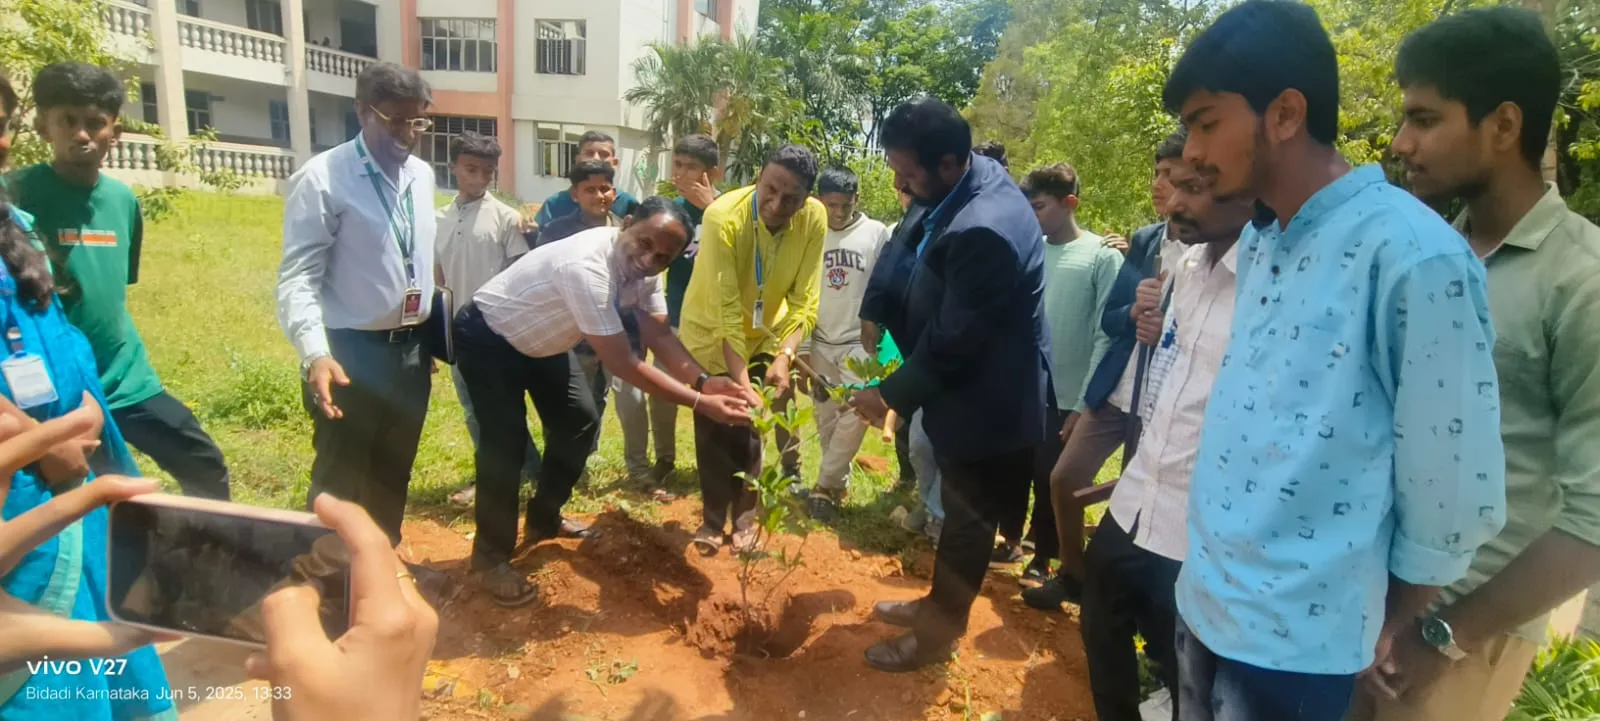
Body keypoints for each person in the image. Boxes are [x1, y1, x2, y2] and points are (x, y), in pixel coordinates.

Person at [1163, 3, 1506, 718]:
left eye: (1206, 122)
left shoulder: (1414, 256)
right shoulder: (1263, 239)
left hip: (1300, 649)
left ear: (1286, 114)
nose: (1191, 152)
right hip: (1204, 602)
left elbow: (1451, 494)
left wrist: (1390, 618)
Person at [1351, 9, 1600, 720]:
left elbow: (1594, 519)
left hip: (1454, 641)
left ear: (1504, 124)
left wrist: (1444, 635)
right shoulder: (1425, 259)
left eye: (1425, 119)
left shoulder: (1580, 281)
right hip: (1368, 612)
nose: (1401, 143)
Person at [455, 197, 752, 606]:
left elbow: (658, 334)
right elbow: (624, 363)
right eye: (644, 243)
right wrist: (700, 402)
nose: (648, 260)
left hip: (546, 342)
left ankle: (544, 517)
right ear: (626, 223)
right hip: (490, 336)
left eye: (663, 257)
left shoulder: (647, 274)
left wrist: (704, 381)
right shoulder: (586, 266)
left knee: (580, 421)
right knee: (503, 446)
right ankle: (490, 561)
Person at [853, 97, 1050, 673]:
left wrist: (887, 395)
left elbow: (954, 340)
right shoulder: (958, 180)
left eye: (907, 174)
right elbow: (905, 242)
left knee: (966, 523)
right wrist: (875, 306)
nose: (899, 185)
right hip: (956, 387)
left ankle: (936, 638)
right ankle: (935, 604)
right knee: (959, 514)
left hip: (987, 403)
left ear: (947, 163)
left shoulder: (987, 227)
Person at [1077, 154, 1256, 721]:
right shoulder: (1188, 267)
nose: (1174, 202)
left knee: (1181, 665)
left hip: (1198, 519)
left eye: (1194, 188)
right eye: (1174, 186)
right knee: (1099, 613)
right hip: (1143, 490)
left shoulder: (1270, 283)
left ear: (1247, 192)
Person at [11, 62, 231, 502]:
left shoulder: (122, 199)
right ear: (42, 127)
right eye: (67, 121)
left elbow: (112, 291)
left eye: (95, 122)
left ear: (115, 132)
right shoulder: (14, 195)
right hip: (57, 384)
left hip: (125, 378)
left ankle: (202, 548)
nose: (82, 134)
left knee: (203, 463)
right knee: (84, 493)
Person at [0, 183, 176, 719]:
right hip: (22, 482)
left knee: (105, 623)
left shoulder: (16, 220)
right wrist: (34, 439)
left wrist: (85, 408)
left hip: (72, 460)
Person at [276, 62, 449, 599]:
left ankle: (379, 579)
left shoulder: (421, 176)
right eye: (394, 120)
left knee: (393, 469)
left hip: (410, 352)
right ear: (361, 111)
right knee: (342, 478)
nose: (407, 134)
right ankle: (325, 590)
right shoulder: (323, 179)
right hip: (349, 353)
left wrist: (424, 333)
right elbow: (298, 277)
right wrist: (315, 354)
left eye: (417, 122)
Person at [1025, 130, 1190, 611]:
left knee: (1145, 499)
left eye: (1170, 174)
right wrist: (1134, 313)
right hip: (1119, 389)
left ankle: (1134, 602)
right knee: (1065, 478)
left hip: (1167, 400)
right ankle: (1073, 575)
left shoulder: (1216, 247)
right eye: (1156, 172)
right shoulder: (1147, 240)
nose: (1157, 184)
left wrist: (1169, 325)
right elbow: (1110, 318)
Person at [678, 145, 826, 555]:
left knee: (750, 431)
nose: (777, 205)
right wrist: (743, 387)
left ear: (806, 199)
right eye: (771, 190)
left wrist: (785, 356)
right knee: (715, 423)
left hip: (765, 334)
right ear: (759, 177)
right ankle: (712, 521)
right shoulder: (722, 216)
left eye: (791, 199)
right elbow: (727, 312)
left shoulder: (814, 218)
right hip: (712, 332)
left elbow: (805, 300)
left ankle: (744, 520)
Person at [1006, 163, 1122, 582]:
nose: (1031, 215)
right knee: (1018, 467)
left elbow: (1106, 335)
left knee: (1051, 476)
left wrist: (1085, 403)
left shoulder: (1102, 257)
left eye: (1038, 207)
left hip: (1070, 394)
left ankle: (1045, 558)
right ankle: (1011, 540)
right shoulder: (1030, 250)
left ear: (1069, 202)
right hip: (1026, 386)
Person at [433, 131, 539, 506]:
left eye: (487, 171)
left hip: (496, 330)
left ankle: (500, 476)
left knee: (496, 408)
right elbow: (438, 278)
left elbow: (519, 274)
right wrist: (437, 334)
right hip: (456, 332)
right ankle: (524, 470)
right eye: (471, 169)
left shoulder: (507, 219)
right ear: (453, 167)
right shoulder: (438, 218)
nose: (479, 178)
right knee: (474, 407)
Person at [800, 166, 890, 522]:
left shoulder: (876, 233)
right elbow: (799, 291)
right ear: (818, 200)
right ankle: (836, 484)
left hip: (859, 341)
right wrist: (802, 347)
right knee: (825, 414)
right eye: (831, 205)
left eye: (846, 205)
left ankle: (823, 485)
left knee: (857, 412)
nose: (838, 213)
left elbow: (885, 286)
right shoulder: (810, 231)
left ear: (858, 199)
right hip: (820, 338)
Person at [539, 160, 627, 447]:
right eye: (590, 190)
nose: (599, 196)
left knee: (598, 397)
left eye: (605, 188)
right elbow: (545, 279)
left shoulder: (625, 231)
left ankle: (586, 455)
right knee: (566, 403)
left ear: (614, 192)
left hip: (612, 331)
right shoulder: (557, 232)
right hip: (570, 336)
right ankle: (559, 458)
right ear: (575, 194)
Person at [529, 131, 640, 234]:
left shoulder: (627, 204)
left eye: (604, 154)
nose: (596, 158)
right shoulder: (555, 204)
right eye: (589, 153)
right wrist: (530, 231)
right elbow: (541, 239)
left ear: (614, 163)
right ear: (578, 160)